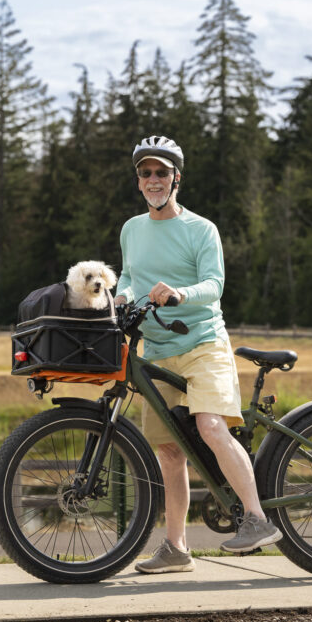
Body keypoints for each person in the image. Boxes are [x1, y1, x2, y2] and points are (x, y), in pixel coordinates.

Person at [113, 135, 282, 574]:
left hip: (204, 345)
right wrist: (121, 297)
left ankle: (257, 519)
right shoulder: (132, 229)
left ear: (176, 178)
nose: (153, 179)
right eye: (145, 173)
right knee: (169, 452)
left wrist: (179, 293)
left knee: (209, 425)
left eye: (161, 172)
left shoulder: (201, 229)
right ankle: (176, 548)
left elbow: (214, 285)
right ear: (139, 181)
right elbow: (129, 276)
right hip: (158, 349)